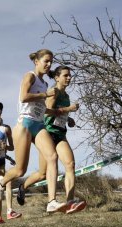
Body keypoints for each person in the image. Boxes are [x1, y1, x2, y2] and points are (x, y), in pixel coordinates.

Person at [0, 49, 67, 213]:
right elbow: (23, 97)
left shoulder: (46, 84)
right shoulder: (30, 76)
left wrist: (56, 112)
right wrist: (44, 94)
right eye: (46, 61)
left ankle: (52, 201)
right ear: (37, 61)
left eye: (51, 62)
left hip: (39, 124)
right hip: (25, 124)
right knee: (20, 170)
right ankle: (1, 182)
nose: (49, 65)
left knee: (52, 157)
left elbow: (41, 107)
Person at [17, 65, 86, 214]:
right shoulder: (53, 92)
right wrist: (68, 110)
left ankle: (70, 202)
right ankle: (23, 187)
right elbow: (46, 113)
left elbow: (60, 113)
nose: (69, 78)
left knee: (70, 164)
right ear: (57, 77)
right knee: (42, 174)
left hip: (60, 134)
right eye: (65, 75)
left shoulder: (66, 96)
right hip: (47, 133)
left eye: (70, 76)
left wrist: (69, 119)